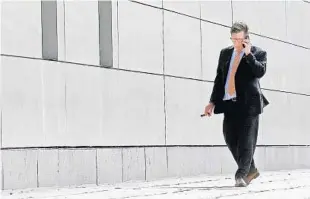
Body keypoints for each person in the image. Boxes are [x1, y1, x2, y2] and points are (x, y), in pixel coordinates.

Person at [203, 21, 269, 187]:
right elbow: (219, 79)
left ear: (246, 38)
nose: (236, 43)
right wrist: (212, 102)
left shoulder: (258, 53)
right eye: (233, 39)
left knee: (247, 141)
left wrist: (248, 55)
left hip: (250, 105)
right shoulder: (225, 54)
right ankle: (251, 169)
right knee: (230, 138)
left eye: (239, 39)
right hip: (230, 104)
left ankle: (242, 175)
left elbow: (259, 72)